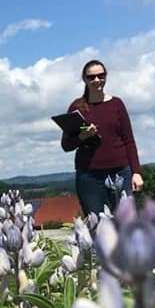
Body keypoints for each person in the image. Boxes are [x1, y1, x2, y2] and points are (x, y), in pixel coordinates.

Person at [61, 59, 143, 217]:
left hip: (121, 172)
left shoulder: (117, 104)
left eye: (101, 75)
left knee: (126, 223)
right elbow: (66, 145)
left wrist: (136, 172)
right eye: (91, 77)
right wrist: (82, 137)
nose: (97, 80)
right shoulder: (76, 107)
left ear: (106, 76)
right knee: (97, 226)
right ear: (84, 79)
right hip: (89, 176)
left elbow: (129, 140)